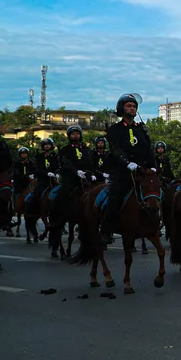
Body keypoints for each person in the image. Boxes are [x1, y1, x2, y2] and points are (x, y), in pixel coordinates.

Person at [101, 94, 157, 239]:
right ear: (121, 108)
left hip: (142, 171)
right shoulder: (115, 129)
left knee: (156, 193)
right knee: (115, 196)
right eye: (128, 106)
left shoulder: (141, 129)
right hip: (122, 172)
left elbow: (148, 149)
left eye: (134, 106)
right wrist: (127, 163)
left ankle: (156, 223)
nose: (132, 108)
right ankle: (106, 230)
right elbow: (115, 150)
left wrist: (153, 166)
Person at [49, 124, 94, 246]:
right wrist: (76, 172)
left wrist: (92, 173)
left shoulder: (86, 149)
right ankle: (56, 218)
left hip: (85, 177)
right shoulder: (65, 149)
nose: (76, 135)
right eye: (73, 133)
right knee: (61, 195)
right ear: (69, 136)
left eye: (77, 133)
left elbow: (90, 163)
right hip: (71, 179)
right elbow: (65, 163)